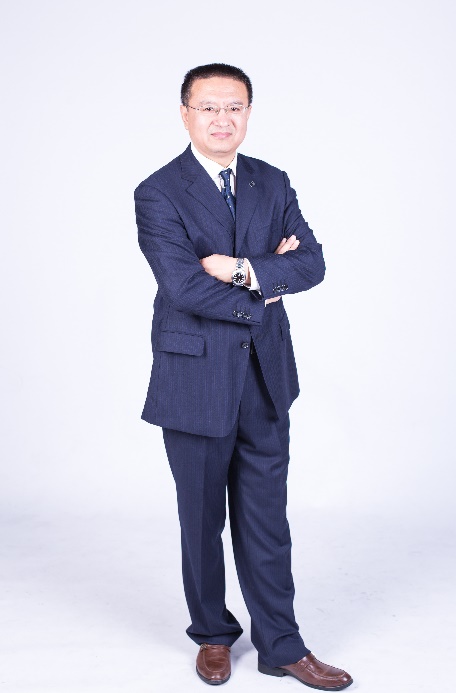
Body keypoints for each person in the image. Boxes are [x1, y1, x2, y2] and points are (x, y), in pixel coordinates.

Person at [134, 63, 353, 690]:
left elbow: (312, 263)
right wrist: (267, 283)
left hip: (264, 376)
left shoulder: (272, 181)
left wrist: (236, 268)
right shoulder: (158, 192)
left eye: (234, 107)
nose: (222, 119)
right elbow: (182, 286)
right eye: (209, 107)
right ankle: (211, 633)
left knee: (267, 521)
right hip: (194, 378)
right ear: (185, 114)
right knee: (201, 520)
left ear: (249, 113)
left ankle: (283, 644)